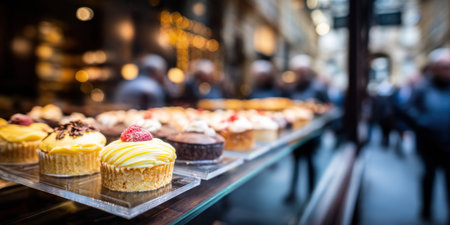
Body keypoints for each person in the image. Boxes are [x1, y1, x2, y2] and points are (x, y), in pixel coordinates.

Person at [404, 48, 450, 221]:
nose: (447, 70)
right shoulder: (422, 87)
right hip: (428, 143)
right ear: (435, 67)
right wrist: (423, 123)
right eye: (444, 66)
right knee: (428, 177)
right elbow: (408, 109)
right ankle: (426, 210)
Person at [285, 54, 330, 202]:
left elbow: (328, 106)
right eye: (297, 71)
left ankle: (311, 194)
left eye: (302, 71)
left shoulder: (317, 88)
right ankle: (292, 191)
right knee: (295, 163)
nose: (300, 74)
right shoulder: (292, 89)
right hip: (296, 133)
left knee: (311, 162)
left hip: (311, 133)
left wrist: (317, 109)